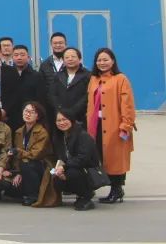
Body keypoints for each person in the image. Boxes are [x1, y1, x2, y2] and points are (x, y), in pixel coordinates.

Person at [86, 47, 135, 204]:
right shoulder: (94, 79)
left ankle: (117, 189)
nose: (102, 63)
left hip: (115, 125)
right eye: (99, 60)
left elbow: (127, 105)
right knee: (100, 156)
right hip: (96, 125)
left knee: (116, 158)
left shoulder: (121, 79)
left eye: (105, 59)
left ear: (113, 61)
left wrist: (126, 125)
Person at [2, 101, 58, 207]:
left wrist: (18, 152)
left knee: (28, 164)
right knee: (5, 183)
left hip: (41, 165)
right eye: (26, 111)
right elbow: (17, 157)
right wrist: (18, 172)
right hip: (23, 165)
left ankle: (33, 196)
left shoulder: (42, 132)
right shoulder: (19, 131)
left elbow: (35, 155)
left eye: (32, 112)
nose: (28, 114)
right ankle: (23, 192)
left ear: (38, 116)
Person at [51, 109, 101, 211]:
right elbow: (61, 157)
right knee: (55, 178)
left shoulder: (82, 135)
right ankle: (80, 194)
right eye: (58, 120)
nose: (61, 123)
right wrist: (58, 170)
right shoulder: (59, 137)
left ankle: (86, 196)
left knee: (72, 173)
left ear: (71, 120)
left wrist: (64, 167)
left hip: (88, 171)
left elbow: (83, 159)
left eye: (64, 119)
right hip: (70, 167)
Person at [2, 45, 44, 130]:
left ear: (28, 57)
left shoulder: (36, 76)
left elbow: (40, 99)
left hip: (30, 118)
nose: (19, 58)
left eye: (22, 55)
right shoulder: (6, 75)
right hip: (10, 119)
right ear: (12, 57)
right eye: (16, 55)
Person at [49, 47, 90, 124]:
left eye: (73, 57)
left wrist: (73, 110)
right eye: (67, 57)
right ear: (63, 61)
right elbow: (53, 95)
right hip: (61, 117)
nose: (70, 59)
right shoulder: (57, 76)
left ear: (80, 59)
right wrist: (60, 110)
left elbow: (87, 96)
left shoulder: (88, 75)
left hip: (80, 117)